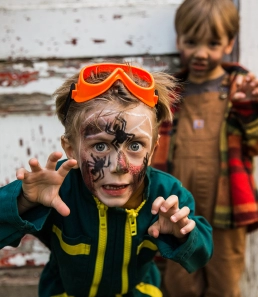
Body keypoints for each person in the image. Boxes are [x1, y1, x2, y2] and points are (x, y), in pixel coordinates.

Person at [0, 63, 213, 297]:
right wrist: (22, 203)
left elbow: (201, 254)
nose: (119, 166)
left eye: (135, 146)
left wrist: (183, 235)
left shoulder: (167, 195)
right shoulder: (55, 189)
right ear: (71, 149)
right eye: (100, 146)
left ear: (152, 152)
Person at [151, 1, 258, 296]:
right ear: (178, 40)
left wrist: (249, 107)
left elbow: (254, 143)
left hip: (226, 203)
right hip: (178, 205)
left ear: (229, 44)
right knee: (179, 278)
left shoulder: (241, 88)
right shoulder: (171, 92)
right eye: (191, 42)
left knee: (224, 278)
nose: (200, 53)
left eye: (212, 44)